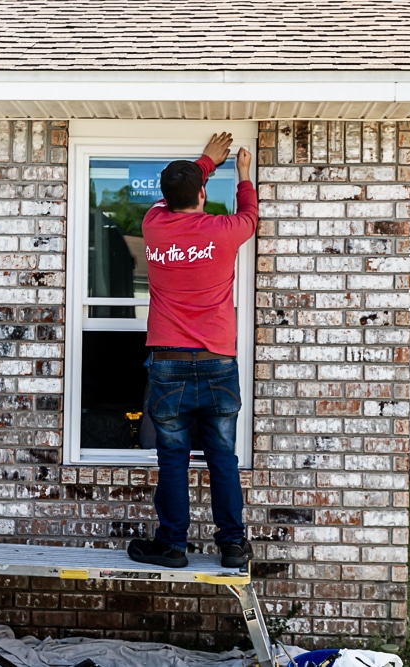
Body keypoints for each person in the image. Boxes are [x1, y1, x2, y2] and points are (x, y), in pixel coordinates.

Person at [127, 132, 258, 569]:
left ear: (164, 197)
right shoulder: (225, 231)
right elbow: (251, 215)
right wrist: (240, 173)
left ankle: (172, 545)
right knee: (222, 457)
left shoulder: (152, 224)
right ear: (203, 194)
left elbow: (177, 196)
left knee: (173, 459)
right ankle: (233, 545)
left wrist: (206, 161)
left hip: (169, 363)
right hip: (219, 362)